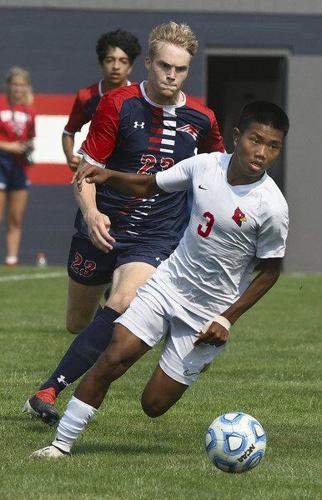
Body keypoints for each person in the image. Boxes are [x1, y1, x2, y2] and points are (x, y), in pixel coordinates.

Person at [30, 100, 289, 459]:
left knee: (153, 405)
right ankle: (60, 444)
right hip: (168, 283)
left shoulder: (272, 207)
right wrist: (109, 176)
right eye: (255, 140)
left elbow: (271, 272)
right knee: (113, 357)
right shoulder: (204, 166)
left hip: (209, 313)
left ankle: (184, 358)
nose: (261, 152)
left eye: (273, 146)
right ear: (236, 137)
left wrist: (226, 318)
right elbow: (149, 186)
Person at [23, 22, 224, 426]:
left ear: (188, 70)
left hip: (154, 238)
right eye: (164, 65)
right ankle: (104, 318)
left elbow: (218, 175)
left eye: (180, 69)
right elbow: (85, 172)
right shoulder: (116, 104)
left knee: (125, 302)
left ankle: (48, 390)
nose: (171, 75)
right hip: (101, 228)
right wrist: (94, 213)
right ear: (148, 62)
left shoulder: (202, 119)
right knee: (79, 323)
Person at [62, 29, 141, 172]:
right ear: (101, 64)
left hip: (130, 171)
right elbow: (68, 132)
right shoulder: (86, 96)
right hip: (95, 169)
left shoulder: (141, 95)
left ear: (130, 67)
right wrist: (70, 157)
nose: (116, 67)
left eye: (123, 61)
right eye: (110, 60)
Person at [0, 66, 35, 266]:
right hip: (1, 163)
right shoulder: (1, 105)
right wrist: (8, 146)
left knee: (16, 217)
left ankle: (11, 260)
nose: (18, 89)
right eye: (14, 84)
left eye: (22, 85)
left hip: (19, 166)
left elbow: (31, 137)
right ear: (8, 86)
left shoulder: (29, 109)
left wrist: (27, 147)